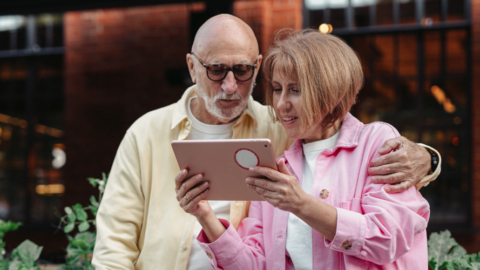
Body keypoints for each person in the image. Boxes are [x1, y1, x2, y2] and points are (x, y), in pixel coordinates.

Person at [93, 15, 440, 270]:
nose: (230, 85)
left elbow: (390, 230)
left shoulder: (277, 136)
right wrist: (203, 215)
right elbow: (115, 242)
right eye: (216, 70)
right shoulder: (147, 132)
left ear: (256, 67)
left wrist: (428, 157)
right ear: (192, 66)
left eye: (242, 70)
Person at [176, 29, 430, 269]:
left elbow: (389, 238)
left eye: (295, 90)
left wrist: (301, 204)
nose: (282, 103)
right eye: (277, 89)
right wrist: (205, 215)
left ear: (332, 93)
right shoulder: (277, 167)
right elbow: (256, 264)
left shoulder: (377, 143)